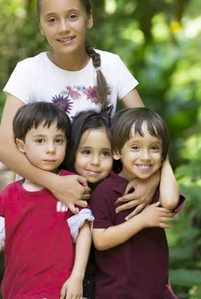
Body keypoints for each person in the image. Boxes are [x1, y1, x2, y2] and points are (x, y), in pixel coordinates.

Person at [0, 0, 163, 216]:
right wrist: (55, 183)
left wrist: (151, 179)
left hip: (101, 203)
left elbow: (149, 131)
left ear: (89, 18)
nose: (63, 27)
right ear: (42, 27)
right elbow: (4, 147)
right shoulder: (28, 71)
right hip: (40, 205)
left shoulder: (111, 65)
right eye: (52, 20)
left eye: (72, 16)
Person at [0, 102, 93, 299]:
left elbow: (84, 230)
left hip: (61, 291)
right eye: (40, 141)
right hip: (19, 292)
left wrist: (77, 277)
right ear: (21, 146)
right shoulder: (7, 196)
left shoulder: (70, 187)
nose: (51, 149)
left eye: (58, 141)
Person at [90, 108, 185, 299]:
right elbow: (99, 240)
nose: (146, 156)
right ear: (117, 151)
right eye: (135, 147)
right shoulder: (105, 191)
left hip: (157, 291)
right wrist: (142, 220)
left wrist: (163, 161)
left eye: (155, 148)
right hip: (119, 292)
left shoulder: (156, 185)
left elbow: (170, 201)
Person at [64, 110, 118, 298]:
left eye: (105, 153)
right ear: (73, 151)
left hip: (108, 284)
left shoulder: (117, 191)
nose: (95, 162)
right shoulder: (59, 186)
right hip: (64, 281)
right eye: (86, 152)